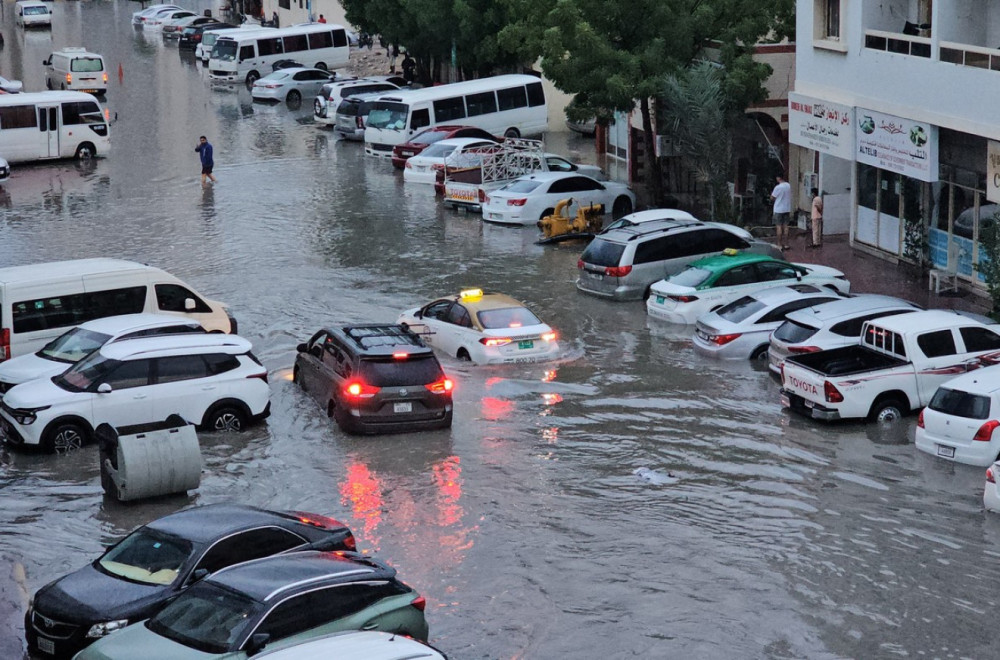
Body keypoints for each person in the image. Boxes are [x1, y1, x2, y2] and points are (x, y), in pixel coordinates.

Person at [770, 174, 792, 250]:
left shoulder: (778, 187)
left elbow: (772, 197)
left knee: (779, 226)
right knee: (786, 226)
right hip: (787, 208)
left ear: (778, 178)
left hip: (778, 209)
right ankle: (786, 244)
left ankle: (779, 244)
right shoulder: (788, 185)